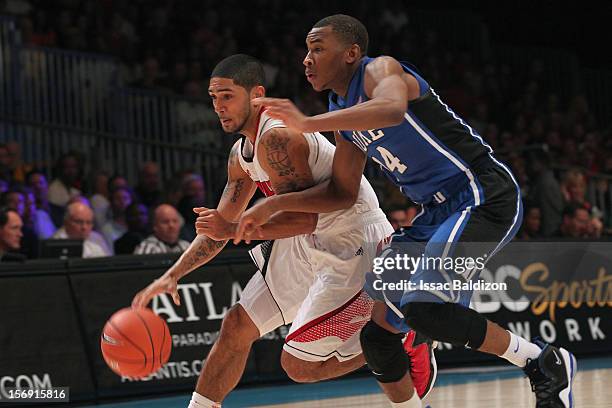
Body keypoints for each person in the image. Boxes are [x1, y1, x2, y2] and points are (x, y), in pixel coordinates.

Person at [235, 15, 576, 408]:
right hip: (433, 214)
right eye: (306, 51)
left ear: (351, 53)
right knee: (378, 338)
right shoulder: (341, 114)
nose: (306, 59)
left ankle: (542, 361)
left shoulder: (380, 70)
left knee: (424, 311)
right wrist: (275, 203)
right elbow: (342, 193)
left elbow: (393, 109)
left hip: (479, 193)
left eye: (317, 49)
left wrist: (309, 123)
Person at [131, 54, 393, 408]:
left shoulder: (278, 138)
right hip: (305, 238)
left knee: (297, 367)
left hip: (350, 234)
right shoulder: (241, 155)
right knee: (237, 325)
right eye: (213, 98)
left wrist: (236, 227)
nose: (219, 107)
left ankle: (399, 335)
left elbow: (306, 218)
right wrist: (173, 275)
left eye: (227, 96)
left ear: (256, 94)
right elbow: (220, 228)